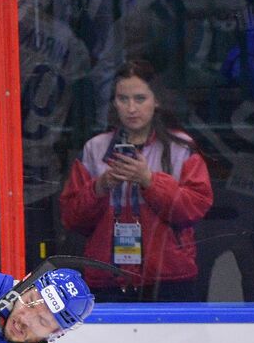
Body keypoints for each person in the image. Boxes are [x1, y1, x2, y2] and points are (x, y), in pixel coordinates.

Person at [59, 59, 213, 302]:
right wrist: (100, 186)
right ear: (114, 103)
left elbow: (194, 208)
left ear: (157, 100)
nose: (131, 108)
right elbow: (72, 218)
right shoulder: (95, 148)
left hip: (169, 277)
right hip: (107, 278)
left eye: (140, 99)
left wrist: (150, 181)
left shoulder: (180, 147)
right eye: (123, 99)